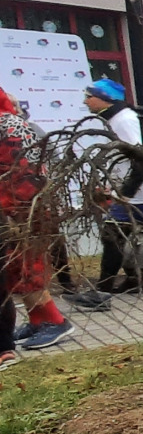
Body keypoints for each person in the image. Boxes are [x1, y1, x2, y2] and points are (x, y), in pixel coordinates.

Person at [0, 87, 74, 353]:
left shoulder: (7, 126)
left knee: (26, 266)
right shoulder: (9, 123)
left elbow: (20, 172)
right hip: (20, 205)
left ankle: (55, 321)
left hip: (22, 207)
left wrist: (14, 211)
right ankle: (37, 319)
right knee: (16, 267)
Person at [83, 79, 143, 295]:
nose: (85, 101)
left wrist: (126, 192)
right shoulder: (115, 119)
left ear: (105, 98)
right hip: (135, 193)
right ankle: (114, 286)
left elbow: (140, 157)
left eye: (89, 96)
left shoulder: (124, 120)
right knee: (113, 236)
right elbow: (118, 159)